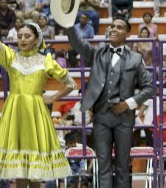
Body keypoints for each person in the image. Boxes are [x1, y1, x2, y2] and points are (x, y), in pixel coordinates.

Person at [0, 5, 76, 188]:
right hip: (15, 111)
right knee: (19, 169)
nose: (22, 39)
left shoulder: (45, 60)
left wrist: (53, 97)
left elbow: (71, 83)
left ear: (36, 39)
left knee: (35, 168)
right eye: (20, 36)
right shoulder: (11, 57)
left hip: (36, 113)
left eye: (27, 36)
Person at [65, 16, 154, 188]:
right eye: (112, 26)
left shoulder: (136, 58)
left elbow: (149, 88)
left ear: (127, 34)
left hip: (125, 118)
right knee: (103, 165)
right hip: (101, 117)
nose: (113, 29)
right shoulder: (97, 52)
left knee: (123, 166)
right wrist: (69, 27)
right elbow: (78, 44)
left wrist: (128, 104)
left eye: (119, 27)